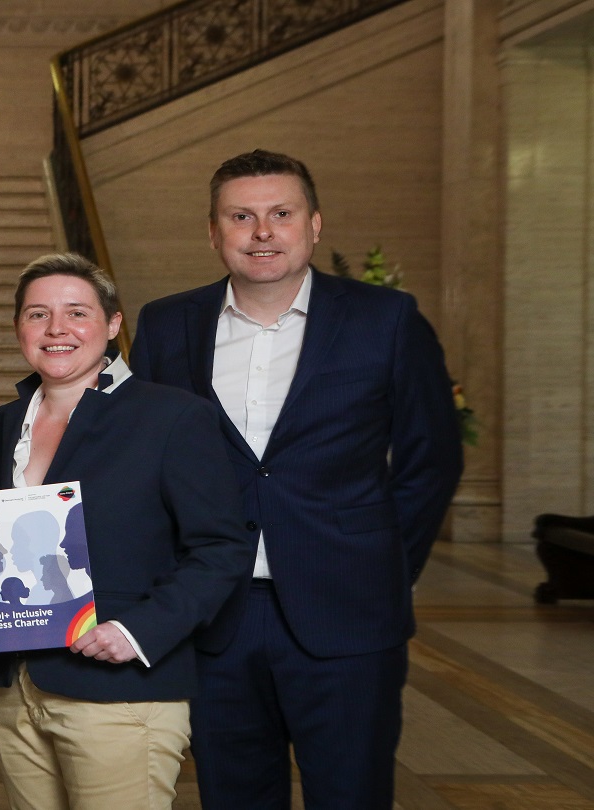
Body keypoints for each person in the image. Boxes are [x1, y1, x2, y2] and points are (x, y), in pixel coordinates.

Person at [129, 149, 464, 809]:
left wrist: (388, 566)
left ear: (314, 224)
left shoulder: (386, 320)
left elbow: (432, 459)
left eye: (281, 214)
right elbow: (142, 464)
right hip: (213, 615)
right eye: (241, 216)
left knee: (351, 793)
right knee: (234, 794)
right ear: (213, 231)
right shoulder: (168, 324)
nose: (262, 232)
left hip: (349, 610)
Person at [0, 253, 251, 809]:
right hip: (15, 689)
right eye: (37, 315)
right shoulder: (4, 422)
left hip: (119, 693)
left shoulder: (172, 417)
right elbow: (9, 539)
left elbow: (222, 549)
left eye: (77, 312)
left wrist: (140, 630)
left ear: (113, 324)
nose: (57, 330)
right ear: (18, 329)